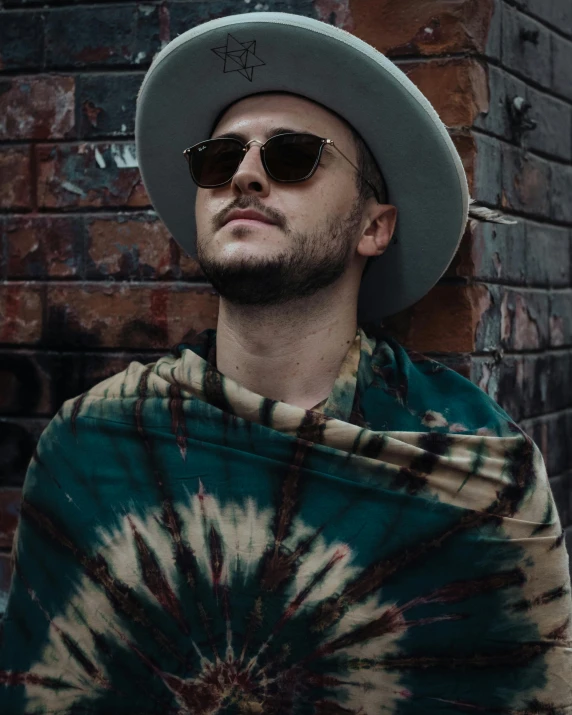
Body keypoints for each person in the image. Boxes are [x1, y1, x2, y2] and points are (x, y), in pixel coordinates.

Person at [1, 12, 570, 715]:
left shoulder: (478, 474)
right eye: (218, 158)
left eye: (293, 156)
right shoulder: (92, 446)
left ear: (373, 225)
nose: (243, 174)